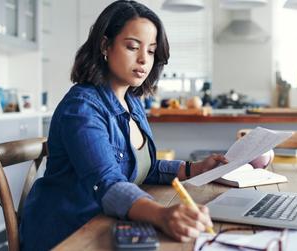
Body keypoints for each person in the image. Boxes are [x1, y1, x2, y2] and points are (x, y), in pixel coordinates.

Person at [19, 1, 228, 250]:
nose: (143, 59)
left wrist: (195, 169)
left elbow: (141, 168)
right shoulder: (82, 108)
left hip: (105, 222)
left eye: (151, 51)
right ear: (105, 45)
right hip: (68, 232)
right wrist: (162, 214)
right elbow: (107, 181)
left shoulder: (132, 102)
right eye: (132, 47)